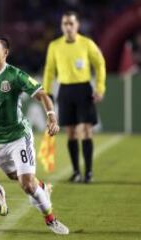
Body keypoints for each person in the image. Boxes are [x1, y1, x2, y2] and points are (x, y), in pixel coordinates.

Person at [0, 35, 69, 235]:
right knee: (16, 177)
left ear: (5, 53)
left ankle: (51, 219)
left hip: (19, 135)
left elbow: (42, 95)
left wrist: (52, 117)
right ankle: (43, 187)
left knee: (27, 185)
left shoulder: (15, 75)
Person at [43, 11, 106, 183]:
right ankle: (77, 172)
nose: (68, 27)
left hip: (83, 90)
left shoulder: (86, 43)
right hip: (65, 90)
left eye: (71, 23)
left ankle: (89, 172)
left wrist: (100, 87)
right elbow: (49, 70)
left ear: (77, 25)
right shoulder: (55, 46)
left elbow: (100, 64)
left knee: (86, 130)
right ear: (61, 26)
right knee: (70, 133)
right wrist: (47, 92)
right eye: (65, 23)